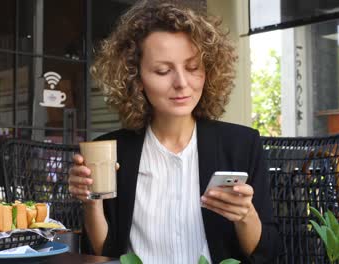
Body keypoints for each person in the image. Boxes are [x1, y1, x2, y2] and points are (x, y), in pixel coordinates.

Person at [68, 1, 280, 263]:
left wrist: (245, 215)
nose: (182, 83)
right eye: (163, 71)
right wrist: (91, 201)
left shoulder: (241, 145)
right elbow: (102, 254)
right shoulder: (112, 151)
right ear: (136, 79)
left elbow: (268, 253)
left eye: (192, 68)